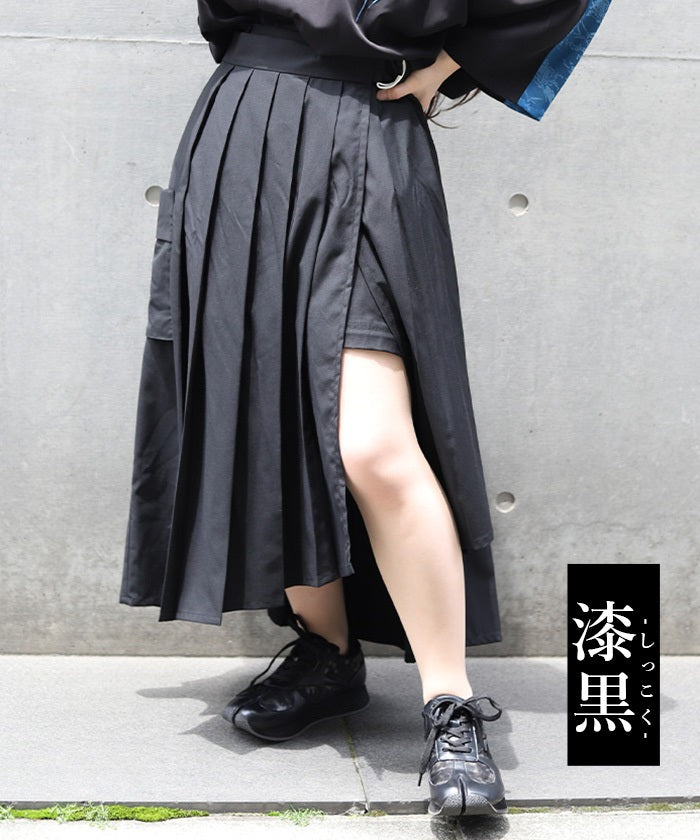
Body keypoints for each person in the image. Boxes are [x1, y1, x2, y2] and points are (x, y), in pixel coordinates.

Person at [120, 0, 613, 818]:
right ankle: (329, 653)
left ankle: (451, 707)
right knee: (271, 415)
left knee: (373, 446)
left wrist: (451, 64)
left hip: (366, 134)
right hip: (242, 129)